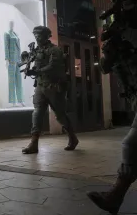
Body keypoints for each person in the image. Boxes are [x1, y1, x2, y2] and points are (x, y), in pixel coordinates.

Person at [87, 24, 137, 214]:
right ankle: (115, 197)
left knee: (131, 145)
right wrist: (109, 52)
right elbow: (105, 68)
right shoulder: (117, 41)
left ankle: (115, 196)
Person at [22, 26, 78, 154]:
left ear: (47, 36)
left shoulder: (55, 50)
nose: (37, 37)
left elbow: (54, 66)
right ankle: (34, 143)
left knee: (60, 115)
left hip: (54, 87)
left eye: (39, 35)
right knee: (37, 113)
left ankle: (72, 137)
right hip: (41, 86)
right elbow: (35, 65)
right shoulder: (36, 51)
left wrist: (37, 71)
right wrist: (28, 65)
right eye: (35, 35)